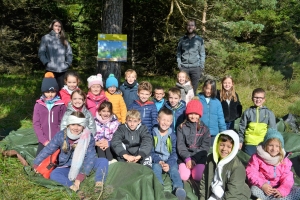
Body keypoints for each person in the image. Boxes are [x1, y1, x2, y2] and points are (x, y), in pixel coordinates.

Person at [33, 111, 108, 193]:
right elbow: (48, 149)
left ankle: (99, 184)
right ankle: (73, 187)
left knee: (103, 161)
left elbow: (90, 157)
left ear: (83, 126)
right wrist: (36, 163)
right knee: (54, 174)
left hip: (83, 164)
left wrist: (81, 175)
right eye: (73, 124)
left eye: (79, 125)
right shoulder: (61, 135)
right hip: (66, 166)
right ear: (68, 124)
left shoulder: (88, 136)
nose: (76, 128)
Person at [246, 128, 300, 199]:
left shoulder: (284, 160)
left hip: (278, 188)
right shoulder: (257, 157)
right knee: (254, 190)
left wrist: (282, 190)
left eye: (277, 146)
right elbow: (251, 172)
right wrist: (263, 185)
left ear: (280, 147)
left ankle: (276, 198)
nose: (274, 149)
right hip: (263, 188)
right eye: (271, 145)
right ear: (265, 145)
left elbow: (287, 177)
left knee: (298, 191)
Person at [199, 130, 251, 200]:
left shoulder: (237, 167)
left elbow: (233, 195)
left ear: (234, 148)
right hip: (216, 193)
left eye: (229, 147)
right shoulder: (211, 159)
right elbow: (204, 181)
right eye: (222, 145)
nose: (224, 149)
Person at [151, 108, 186, 200]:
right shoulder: (152, 133)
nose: (165, 123)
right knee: (155, 168)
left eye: (168, 121)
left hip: (169, 159)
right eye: (163, 120)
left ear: (171, 122)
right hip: (157, 159)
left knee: (174, 170)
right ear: (158, 120)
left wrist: (169, 164)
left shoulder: (172, 135)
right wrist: (158, 161)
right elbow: (150, 151)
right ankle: (159, 188)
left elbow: (175, 152)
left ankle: (178, 188)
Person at [176, 99, 210, 182]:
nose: (193, 116)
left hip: (199, 157)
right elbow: (180, 145)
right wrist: (187, 159)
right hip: (184, 157)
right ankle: (187, 169)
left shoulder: (205, 129)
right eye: (191, 113)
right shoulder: (181, 127)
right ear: (187, 114)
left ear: (199, 115)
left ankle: (194, 169)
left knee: (198, 176)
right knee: (184, 176)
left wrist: (194, 159)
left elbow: (204, 147)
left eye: (196, 114)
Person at [33, 72, 66, 156]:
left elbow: (63, 123)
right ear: (43, 91)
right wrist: (43, 140)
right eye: (47, 92)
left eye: (53, 91)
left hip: (57, 140)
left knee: (58, 161)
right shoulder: (38, 105)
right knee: (38, 163)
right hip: (44, 140)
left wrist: (58, 139)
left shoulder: (61, 105)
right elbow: (36, 124)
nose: (50, 94)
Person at [238, 88, 276, 156]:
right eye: (256, 97)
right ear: (252, 98)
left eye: (260, 98)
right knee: (250, 161)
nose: (258, 100)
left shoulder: (269, 113)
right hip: (250, 143)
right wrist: (240, 141)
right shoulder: (247, 112)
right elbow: (242, 128)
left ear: (264, 99)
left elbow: (273, 130)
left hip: (263, 143)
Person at [38, 19, 73, 90]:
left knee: (63, 91)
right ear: (52, 26)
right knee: (49, 91)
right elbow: (41, 53)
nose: (58, 28)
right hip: (50, 69)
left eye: (59, 26)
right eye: (56, 26)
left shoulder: (64, 40)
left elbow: (69, 53)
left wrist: (67, 64)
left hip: (62, 70)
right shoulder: (45, 38)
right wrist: (46, 63)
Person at [176, 19, 205, 94]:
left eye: (192, 25)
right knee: (183, 88)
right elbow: (178, 52)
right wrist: (179, 64)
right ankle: (183, 104)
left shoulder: (199, 40)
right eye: (188, 25)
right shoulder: (182, 40)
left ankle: (192, 104)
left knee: (193, 89)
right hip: (184, 67)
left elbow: (202, 53)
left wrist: (201, 65)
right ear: (186, 26)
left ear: (195, 27)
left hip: (196, 67)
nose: (190, 27)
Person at [198, 79, 226, 145]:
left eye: (211, 89)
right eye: (207, 88)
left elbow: (220, 118)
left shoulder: (217, 102)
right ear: (203, 87)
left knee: (212, 153)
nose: (208, 91)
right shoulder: (198, 99)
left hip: (213, 134)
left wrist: (222, 131)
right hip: (200, 133)